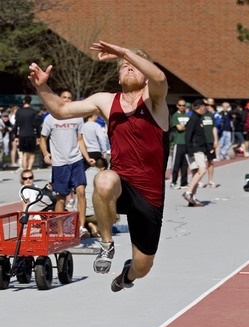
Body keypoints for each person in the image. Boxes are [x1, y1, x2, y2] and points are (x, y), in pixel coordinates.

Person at [28, 40, 169, 292]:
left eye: (133, 66)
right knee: (103, 179)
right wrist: (42, 87)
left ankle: (127, 276)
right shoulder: (105, 101)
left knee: (143, 266)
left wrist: (125, 52)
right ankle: (106, 243)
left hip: (150, 195)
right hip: (120, 184)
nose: (127, 68)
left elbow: (159, 76)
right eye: (123, 66)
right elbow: (60, 110)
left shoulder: (154, 101)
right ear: (117, 77)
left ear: (145, 75)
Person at [39, 88, 95, 239]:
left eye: (69, 97)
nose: (67, 100)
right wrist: (45, 153)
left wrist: (87, 157)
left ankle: (82, 227)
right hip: (60, 163)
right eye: (64, 97)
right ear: (59, 99)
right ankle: (60, 231)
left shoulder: (77, 118)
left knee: (81, 192)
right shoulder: (50, 118)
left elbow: (80, 140)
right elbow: (43, 139)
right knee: (61, 197)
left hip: (76, 160)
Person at [183, 99, 208, 207]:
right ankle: (188, 193)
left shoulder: (198, 118)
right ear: (200, 107)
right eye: (204, 107)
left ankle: (192, 198)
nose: (205, 109)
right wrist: (190, 150)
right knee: (202, 170)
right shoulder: (194, 119)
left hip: (196, 148)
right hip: (195, 149)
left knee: (195, 174)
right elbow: (187, 135)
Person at [13, 95, 40, 171]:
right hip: (31, 134)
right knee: (32, 154)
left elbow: (16, 125)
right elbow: (36, 125)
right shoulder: (33, 112)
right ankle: (29, 169)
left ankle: (25, 170)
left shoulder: (19, 111)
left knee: (24, 154)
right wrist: (38, 136)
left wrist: (16, 136)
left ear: (23, 101)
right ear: (30, 102)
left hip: (22, 134)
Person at [85, 157, 108, 237]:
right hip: (92, 214)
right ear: (103, 168)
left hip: (79, 213)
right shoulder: (101, 176)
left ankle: (87, 224)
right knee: (115, 215)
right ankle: (94, 225)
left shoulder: (85, 172)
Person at [170, 98, 189, 189]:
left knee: (185, 164)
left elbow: (188, 128)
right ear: (177, 106)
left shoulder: (187, 116)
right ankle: (173, 182)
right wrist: (187, 127)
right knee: (176, 164)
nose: (182, 107)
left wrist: (185, 127)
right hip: (178, 142)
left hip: (186, 143)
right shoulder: (175, 116)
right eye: (180, 105)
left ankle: (184, 182)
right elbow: (179, 128)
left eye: (184, 105)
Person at [201, 101, 219, 187]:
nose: (206, 107)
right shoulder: (199, 115)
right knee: (201, 162)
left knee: (211, 162)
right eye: (205, 105)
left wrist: (215, 140)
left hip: (210, 141)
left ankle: (210, 180)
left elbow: (214, 128)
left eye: (208, 105)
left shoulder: (211, 115)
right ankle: (199, 180)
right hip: (201, 141)